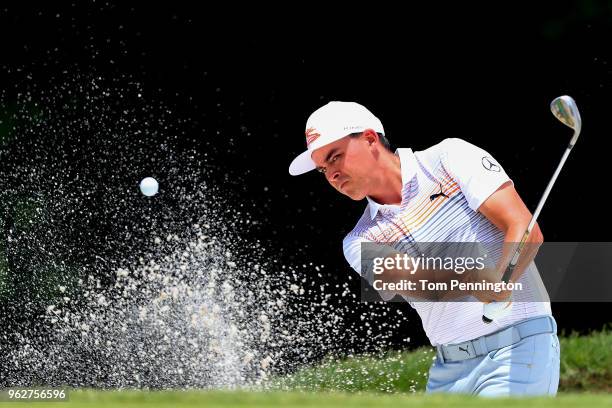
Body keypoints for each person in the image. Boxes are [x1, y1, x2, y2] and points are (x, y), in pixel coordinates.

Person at [288, 101, 560, 397]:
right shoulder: (358, 240)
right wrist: (470, 278)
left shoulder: (449, 158)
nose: (332, 175)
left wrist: (503, 278)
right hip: (449, 372)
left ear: (369, 139)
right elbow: (414, 281)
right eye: (323, 169)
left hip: (517, 349)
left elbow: (524, 228)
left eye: (336, 157)